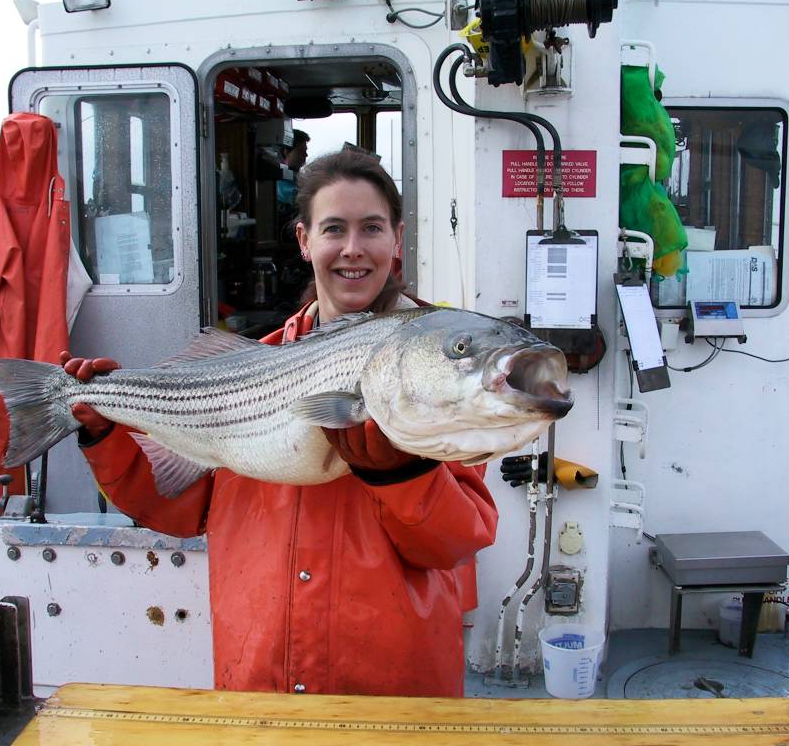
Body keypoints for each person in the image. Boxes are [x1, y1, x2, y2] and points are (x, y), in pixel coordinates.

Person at [63, 149, 498, 697]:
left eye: (372, 228)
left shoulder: (436, 372)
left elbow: (453, 546)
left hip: (394, 684)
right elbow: (179, 507)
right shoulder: (252, 366)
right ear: (304, 240)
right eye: (333, 229)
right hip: (260, 671)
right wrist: (105, 433)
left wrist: (403, 476)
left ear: (397, 239)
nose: (353, 248)